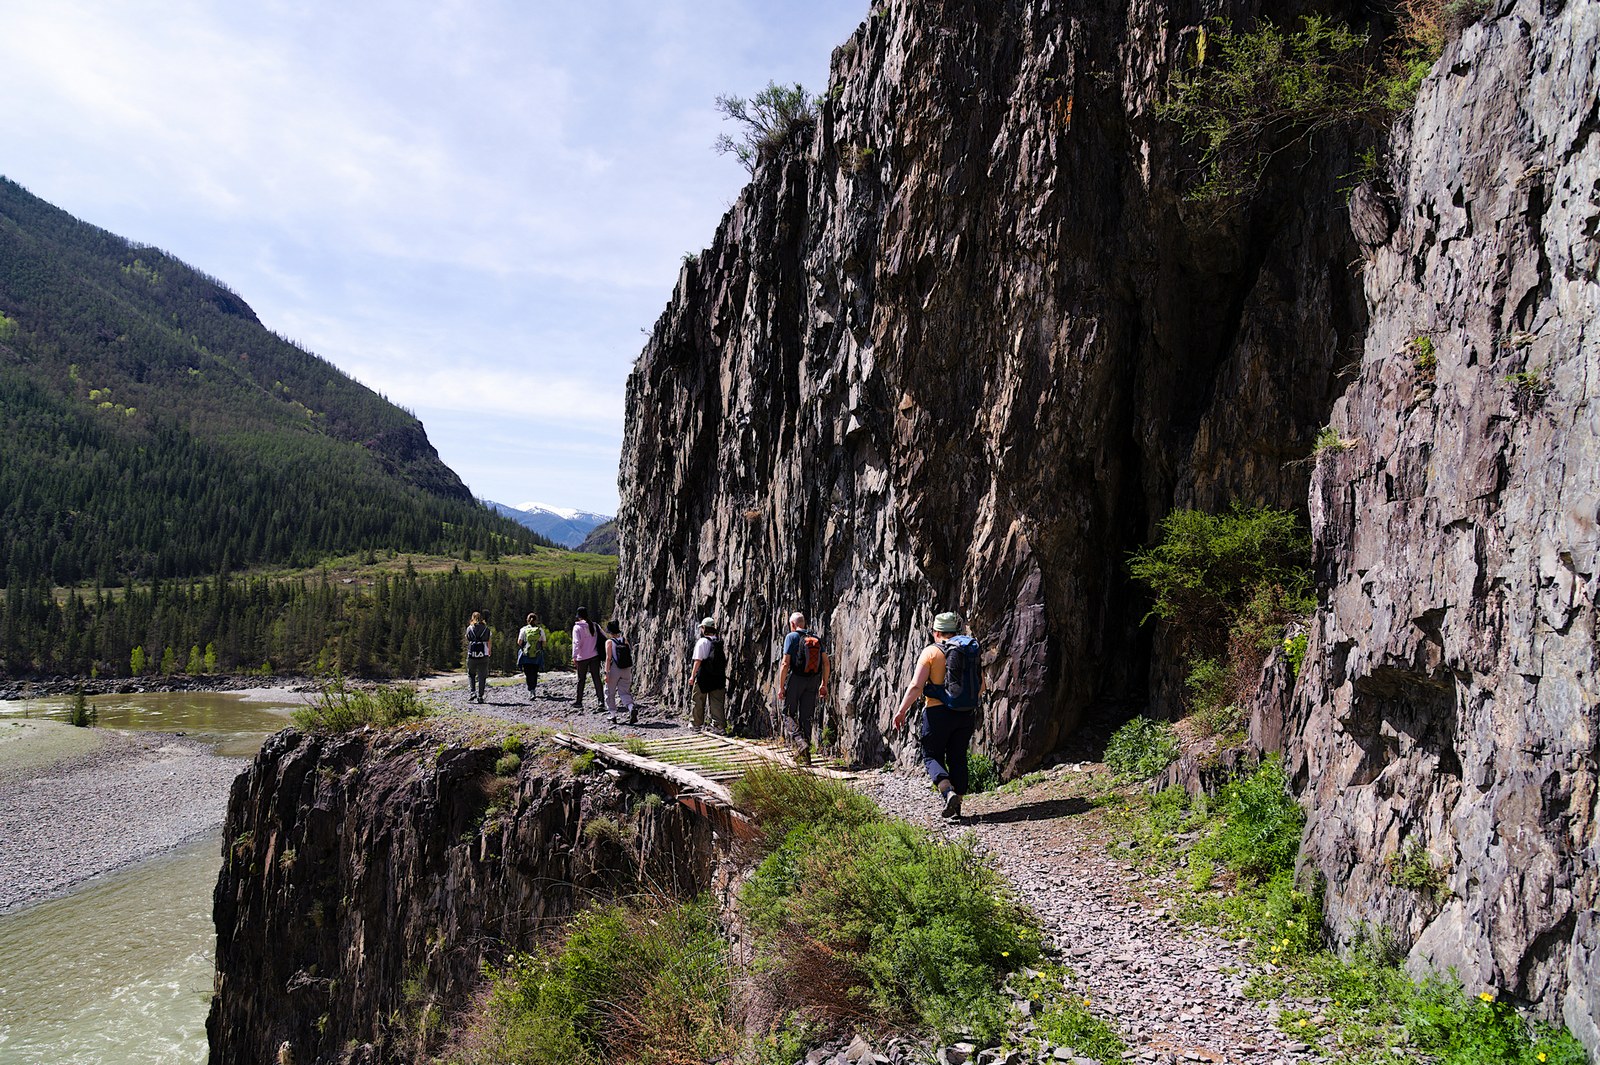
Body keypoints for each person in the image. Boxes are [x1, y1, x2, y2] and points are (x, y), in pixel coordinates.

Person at [894, 611, 983, 819]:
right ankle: (958, 804)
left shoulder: (931, 653)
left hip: (937, 714)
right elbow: (981, 687)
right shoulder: (969, 651)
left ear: (936, 632)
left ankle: (947, 790)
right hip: (965, 714)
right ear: (956, 631)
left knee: (931, 755)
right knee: (958, 756)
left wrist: (901, 711)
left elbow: (916, 686)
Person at [775, 611, 829, 765]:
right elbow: (826, 663)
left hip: (796, 679)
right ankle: (806, 757)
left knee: (787, 713)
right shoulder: (816, 638)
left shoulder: (791, 637)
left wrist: (781, 687)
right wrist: (823, 684)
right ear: (803, 623)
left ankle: (800, 742)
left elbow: (785, 663)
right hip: (813, 680)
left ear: (792, 624)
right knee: (806, 717)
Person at [689, 617, 728, 733]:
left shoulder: (702, 642)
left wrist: (692, 676)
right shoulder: (718, 642)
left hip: (704, 676)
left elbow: (698, 660)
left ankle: (696, 724)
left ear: (704, 628)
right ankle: (719, 726)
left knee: (698, 699)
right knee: (717, 701)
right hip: (718, 676)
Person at [570, 607, 605, 709]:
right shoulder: (594, 625)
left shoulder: (577, 628)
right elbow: (603, 637)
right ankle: (601, 701)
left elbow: (576, 643)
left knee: (581, 679)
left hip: (582, 657)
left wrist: (574, 656)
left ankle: (579, 701)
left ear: (578, 616)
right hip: (594, 656)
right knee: (596, 678)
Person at [603, 619, 636, 724]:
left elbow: (608, 658)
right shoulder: (624, 640)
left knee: (609, 691)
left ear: (610, 633)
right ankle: (631, 708)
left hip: (614, 669)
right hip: (626, 668)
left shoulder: (609, 642)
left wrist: (606, 673)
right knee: (624, 691)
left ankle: (612, 715)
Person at [516, 612, 546, 700]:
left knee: (528, 673)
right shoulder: (540, 630)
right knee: (534, 672)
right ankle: (533, 689)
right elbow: (544, 643)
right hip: (536, 654)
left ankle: (531, 690)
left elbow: (519, 642)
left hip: (526, 654)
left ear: (527, 620)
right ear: (536, 620)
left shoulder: (523, 630)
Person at [464, 611, 492, 703]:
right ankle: (480, 696)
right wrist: (489, 651)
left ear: (472, 618)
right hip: (483, 655)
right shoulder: (486, 629)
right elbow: (489, 641)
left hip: (472, 655)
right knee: (482, 676)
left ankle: (472, 692)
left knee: (471, 674)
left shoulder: (469, 628)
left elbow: (467, 638)